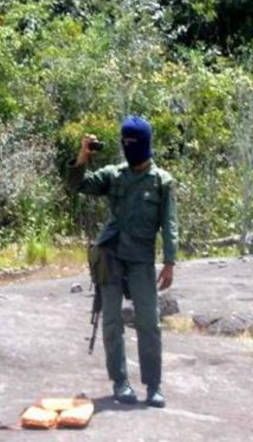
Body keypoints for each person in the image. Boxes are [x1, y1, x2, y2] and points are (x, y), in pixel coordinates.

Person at [68, 116, 178, 408]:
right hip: (112, 255)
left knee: (149, 321)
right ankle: (120, 382)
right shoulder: (114, 175)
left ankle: (153, 385)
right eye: (125, 142)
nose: (129, 148)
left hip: (141, 258)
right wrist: (83, 156)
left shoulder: (161, 181)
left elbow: (169, 224)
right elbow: (78, 184)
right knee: (112, 320)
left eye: (134, 143)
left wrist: (169, 262)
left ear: (145, 144)